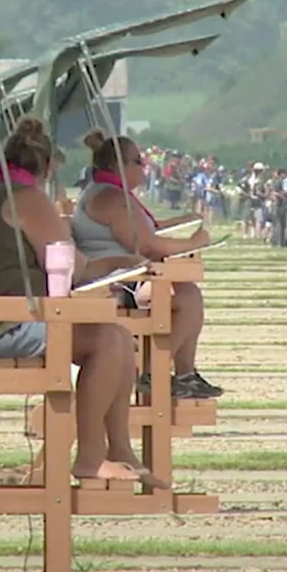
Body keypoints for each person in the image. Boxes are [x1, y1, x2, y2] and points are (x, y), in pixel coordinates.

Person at [0, 117, 149, 483]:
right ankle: (90, 456)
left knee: (118, 336)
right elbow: (75, 267)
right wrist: (122, 262)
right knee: (106, 340)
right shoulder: (28, 200)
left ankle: (119, 449)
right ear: (45, 167)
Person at [72, 128, 221, 399]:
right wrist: (194, 242)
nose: (144, 167)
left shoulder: (106, 192)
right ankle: (154, 371)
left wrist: (181, 223)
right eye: (138, 161)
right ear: (119, 166)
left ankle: (182, 374)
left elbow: (145, 231)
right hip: (113, 284)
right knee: (186, 298)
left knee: (187, 294)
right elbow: (147, 245)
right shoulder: (113, 199)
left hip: (116, 278)